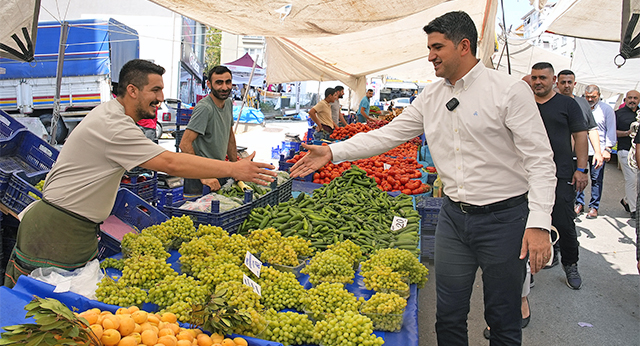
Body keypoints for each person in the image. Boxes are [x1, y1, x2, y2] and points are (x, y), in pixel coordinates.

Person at [290, 11, 556, 346]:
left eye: (437, 47)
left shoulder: (509, 91)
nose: (430, 56)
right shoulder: (431, 97)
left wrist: (539, 222)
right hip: (454, 219)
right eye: (429, 47)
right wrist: (333, 152)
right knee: (447, 316)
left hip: (504, 220)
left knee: (503, 318)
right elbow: (388, 135)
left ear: (463, 46)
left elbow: (541, 161)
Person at [3, 59, 276, 288]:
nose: (160, 98)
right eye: (155, 90)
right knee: (38, 314)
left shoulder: (115, 117)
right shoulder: (113, 125)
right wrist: (233, 168)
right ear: (132, 90)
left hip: (73, 227)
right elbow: (170, 162)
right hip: (57, 230)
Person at [530, 62, 588, 290]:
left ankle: (570, 264)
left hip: (560, 174)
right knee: (525, 223)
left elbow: (580, 136)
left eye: (542, 78)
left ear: (553, 80)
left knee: (564, 223)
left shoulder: (567, 104)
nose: (537, 82)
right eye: (534, 78)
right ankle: (527, 270)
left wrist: (581, 169)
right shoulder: (524, 104)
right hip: (528, 175)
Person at [180, 66, 239, 196]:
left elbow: (229, 136)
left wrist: (236, 167)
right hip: (199, 178)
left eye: (228, 82)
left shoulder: (228, 103)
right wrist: (203, 176)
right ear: (209, 84)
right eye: (219, 82)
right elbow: (184, 144)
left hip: (219, 171)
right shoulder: (205, 108)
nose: (224, 87)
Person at [577, 84, 616, 218]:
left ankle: (594, 206)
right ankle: (579, 203)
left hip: (597, 151)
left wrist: (607, 149)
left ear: (598, 96)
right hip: (580, 150)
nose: (590, 99)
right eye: (587, 97)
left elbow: (610, 130)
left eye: (593, 97)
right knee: (579, 176)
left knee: (597, 179)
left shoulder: (606, 109)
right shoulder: (579, 107)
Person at [616, 90, 640, 218]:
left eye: (635, 98)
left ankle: (626, 200)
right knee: (631, 179)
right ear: (625, 99)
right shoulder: (618, 114)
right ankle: (634, 209)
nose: (632, 100)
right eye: (629, 98)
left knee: (637, 181)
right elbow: (612, 132)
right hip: (625, 150)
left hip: (638, 151)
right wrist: (627, 133)